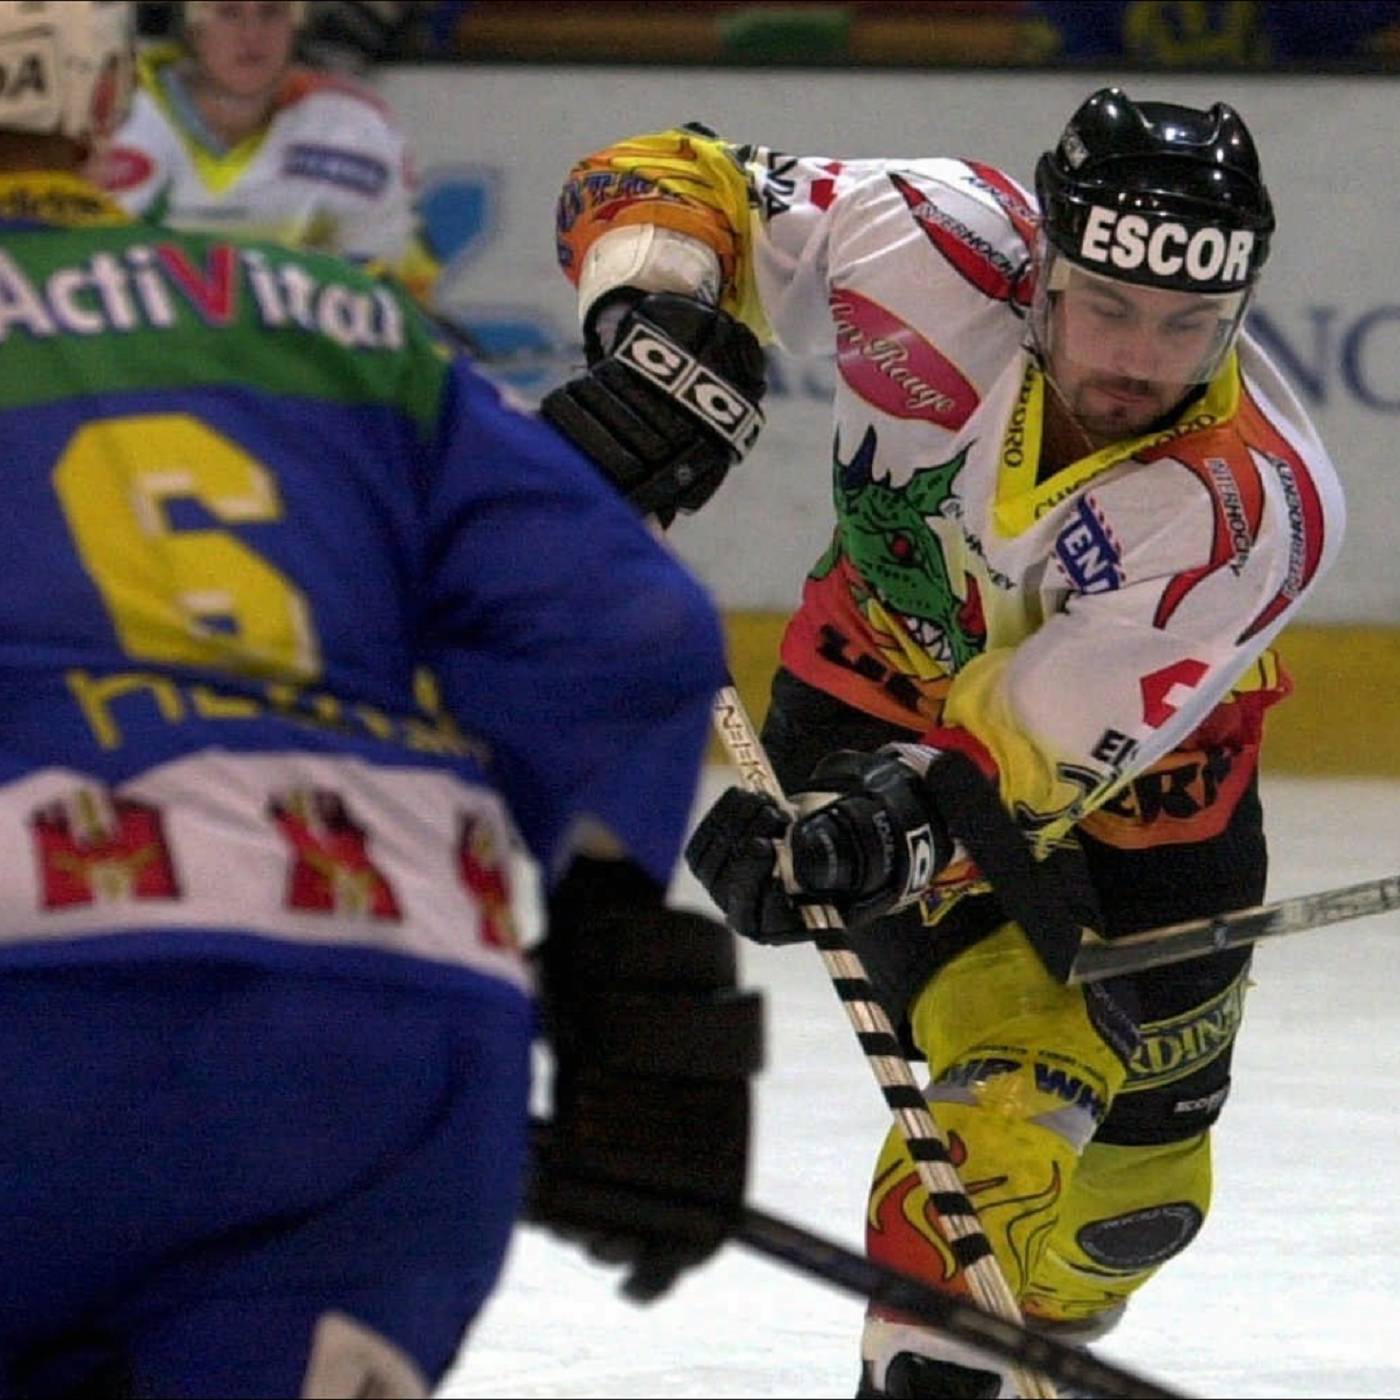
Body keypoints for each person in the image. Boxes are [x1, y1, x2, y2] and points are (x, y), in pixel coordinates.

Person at [0, 4, 761, 1396]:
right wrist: (614, 963)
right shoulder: (342, 319)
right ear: (112, 103)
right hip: (385, 1034)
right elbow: (625, 625)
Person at [542, 89, 1345, 1397]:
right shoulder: (931, 239)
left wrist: (867, 834)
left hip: (1147, 808)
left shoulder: (1251, 505)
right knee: (995, 1150)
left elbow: (1021, 758)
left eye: (1189, 323)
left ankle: (1075, 1263)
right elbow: (671, 172)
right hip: (871, 700)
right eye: (1108, 306)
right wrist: (655, 316)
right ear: (1042, 274)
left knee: (1133, 1209)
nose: (1141, 361)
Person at [98, 0, 440, 303]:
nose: (252, 34)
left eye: (272, 11)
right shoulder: (101, 111)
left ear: (300, 21)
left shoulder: (356, 129)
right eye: (228, 12)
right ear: (189, 24)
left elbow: (400, 302)